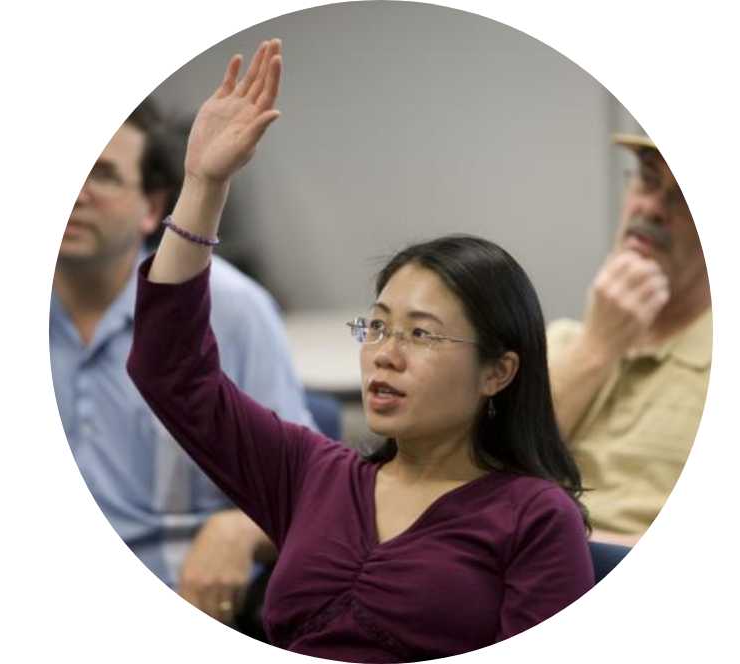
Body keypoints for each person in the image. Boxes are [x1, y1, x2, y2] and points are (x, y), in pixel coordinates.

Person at [126, 38, 594, 661]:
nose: (384, 355)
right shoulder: (313, 474)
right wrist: (203, 186)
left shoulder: (533, 518)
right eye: (376, 327)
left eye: (420, 334)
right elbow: (169, 370)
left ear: (499, 372)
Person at [50, 94, 314, 628]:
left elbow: (311, 493)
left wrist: (239, 531)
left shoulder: (232, 310)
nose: (79, 193)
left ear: (153, 208)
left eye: (102, 176)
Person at [546, 133, 711, 547]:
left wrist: (557, 544)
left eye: (683, 197)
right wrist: (596, 349)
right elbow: (475, 485)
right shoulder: (562, 344)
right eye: (647, 180)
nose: (652, 208)